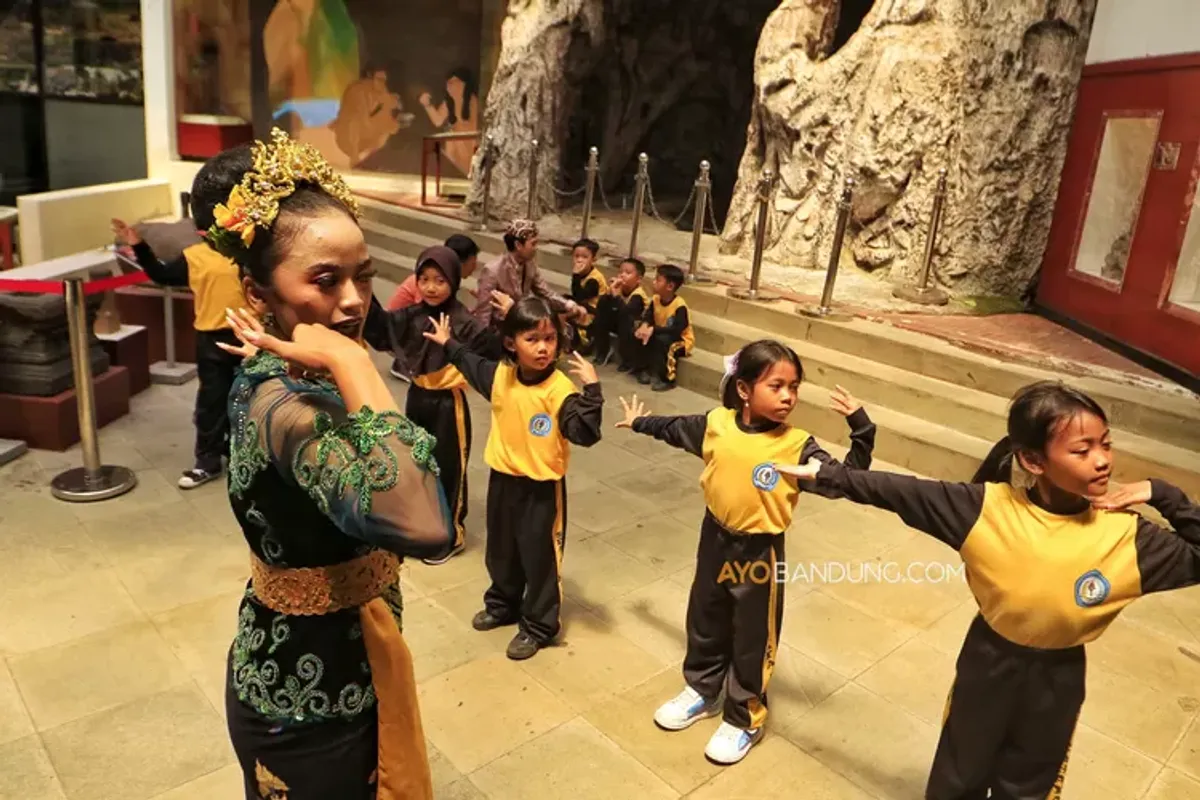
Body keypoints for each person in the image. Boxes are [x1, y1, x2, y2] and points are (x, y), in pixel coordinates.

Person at [774, 380, 1200, 799]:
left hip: (1059, 676)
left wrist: (1164, 495)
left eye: (1105, 444)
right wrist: (829, 475)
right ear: (1033, 461)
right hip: (988, 661)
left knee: (1033, 781)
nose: (1102, 460)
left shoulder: (1128, 536)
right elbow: (898, 491)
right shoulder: (986, 508)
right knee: (960, 773)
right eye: (1082, 450)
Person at [209, 129, 448, 799]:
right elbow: (425, 522)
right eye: (325, 279)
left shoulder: (294, 371)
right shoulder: (283, 404)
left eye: (363, 275)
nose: (353, 299)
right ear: (258, 294)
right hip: (305, 703)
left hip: (348, 669)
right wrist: (352, 360)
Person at [615, 340, 875, 765]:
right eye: (777, 386)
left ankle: (744, 717)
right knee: (705, 618)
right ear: (744, 389)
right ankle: (702, 689)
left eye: (794, 386)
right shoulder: (718, 424)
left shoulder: (798, 446)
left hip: (759, 552)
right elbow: (677, 428)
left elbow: (846, 480)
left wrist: (861, 431)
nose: (788, 396)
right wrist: (641, 424)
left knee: (753, 636)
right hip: (713, 537)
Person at [424, 297, 603, 660]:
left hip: (541, 489)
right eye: (533, 339)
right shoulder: (501, 377)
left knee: (539, 558)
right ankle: (502, 603)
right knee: (501, 549)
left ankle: (539, 625)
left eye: (550, 339)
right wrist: (448, 343)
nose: (543, 348)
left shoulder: (560, 391)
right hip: (502, 480)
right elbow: (471, 364)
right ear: (511, 343)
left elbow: (585, 433)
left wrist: (593, 392)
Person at [111, 146, 251, 489]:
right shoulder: (194, 256)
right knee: (211, 402)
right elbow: (161, 275)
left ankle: (242, 457)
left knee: (247, 399)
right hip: (211, 338)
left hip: (249, 336)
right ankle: (207, 461)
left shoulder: (249, 252)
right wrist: (139, 245)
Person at [362, 244, 499, 565]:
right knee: (418, 465)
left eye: (439, 280)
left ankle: (452, 533)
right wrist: (364, 286)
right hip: (417, 398)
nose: (431, 287)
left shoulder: (463, 321)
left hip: (448, 406)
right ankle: (423, 528)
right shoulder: (412, 315)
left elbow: (491, 353)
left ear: (453, 280)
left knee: (449, 468)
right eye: (423, 279)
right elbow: (381, 328)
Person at [385, 233, 481, 381]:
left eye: (440, 281)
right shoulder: (425, 289)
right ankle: (405, 366)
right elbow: (425, 314)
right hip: (399, 333)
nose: (475, 267)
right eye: (473, 262)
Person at [472, 218, 584, 332]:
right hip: (500, 329)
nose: (536, 248)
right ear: (518, 245)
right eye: (533, 244)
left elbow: (545, 293)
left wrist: (569, 305)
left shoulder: (530, 264)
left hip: (522, 324)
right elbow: (483, 314)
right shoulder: (492, 270)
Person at [632, 263, 693, 391]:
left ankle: (668, 379)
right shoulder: (655, 299)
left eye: (658, 280)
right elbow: (648, 316)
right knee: (640, 333)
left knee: (666, 343)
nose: (654, 282)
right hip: (660, 333)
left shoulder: (679, 306)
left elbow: (677, 330)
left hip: (680, 340)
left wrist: (654, 329)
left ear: (670, 286)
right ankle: (643, 369)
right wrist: (644, 326)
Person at [592, 257, 649, 369]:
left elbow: (627, 312)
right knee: (600, 316)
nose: (622, 275)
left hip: (633, 326)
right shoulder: (619, 289)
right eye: (620, 272)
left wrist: (616, 296)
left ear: (638, 279)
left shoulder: (638, 295)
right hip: (618, 321)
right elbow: (600, 305)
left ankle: (627, 360)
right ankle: (602, 351)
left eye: (628, 273)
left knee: (626, 322)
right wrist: (609, 293)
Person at [566, 238, 608, 356]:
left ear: (593, 260)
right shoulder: (582, 274)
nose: (579, 260)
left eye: (584, 257)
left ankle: (582, 342)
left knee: (571, 309)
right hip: (584, 304)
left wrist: (575, 276)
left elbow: (580, 297)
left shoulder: (594, 279)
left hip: (595, 311)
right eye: (576, 256)